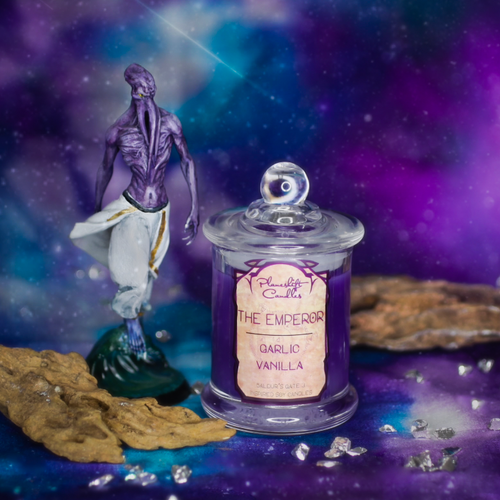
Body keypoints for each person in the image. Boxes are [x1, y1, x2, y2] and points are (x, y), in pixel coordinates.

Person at [70, 63, 199, 358]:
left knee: (152, 273)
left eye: (150, 88)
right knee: (133, 273)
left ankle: (139, 326)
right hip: (133, 206)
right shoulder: (118, 131)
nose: (146, 94)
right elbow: (104, 169)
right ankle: (132, 327)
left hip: (161, 210)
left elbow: (187, 161)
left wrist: (194, 207)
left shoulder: (171, 123)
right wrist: (98, 206)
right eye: (141, 90)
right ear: (132, 91)